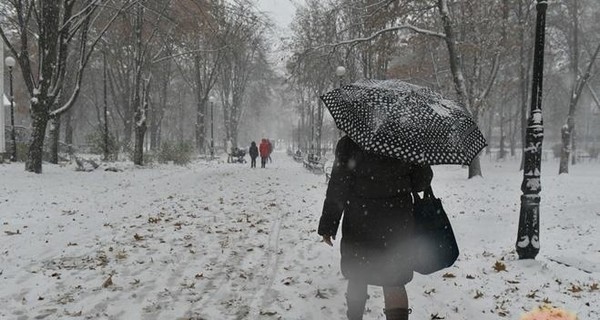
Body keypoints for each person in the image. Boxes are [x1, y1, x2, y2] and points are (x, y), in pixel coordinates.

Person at [318, 135, 433, 320]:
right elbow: (422, 181)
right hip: (396, 224)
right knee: (394, 280)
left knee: (358, 275)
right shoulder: (406, 140)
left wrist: (328, 224)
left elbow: (338, 185)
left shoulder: (351, 141)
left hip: (359, 221)